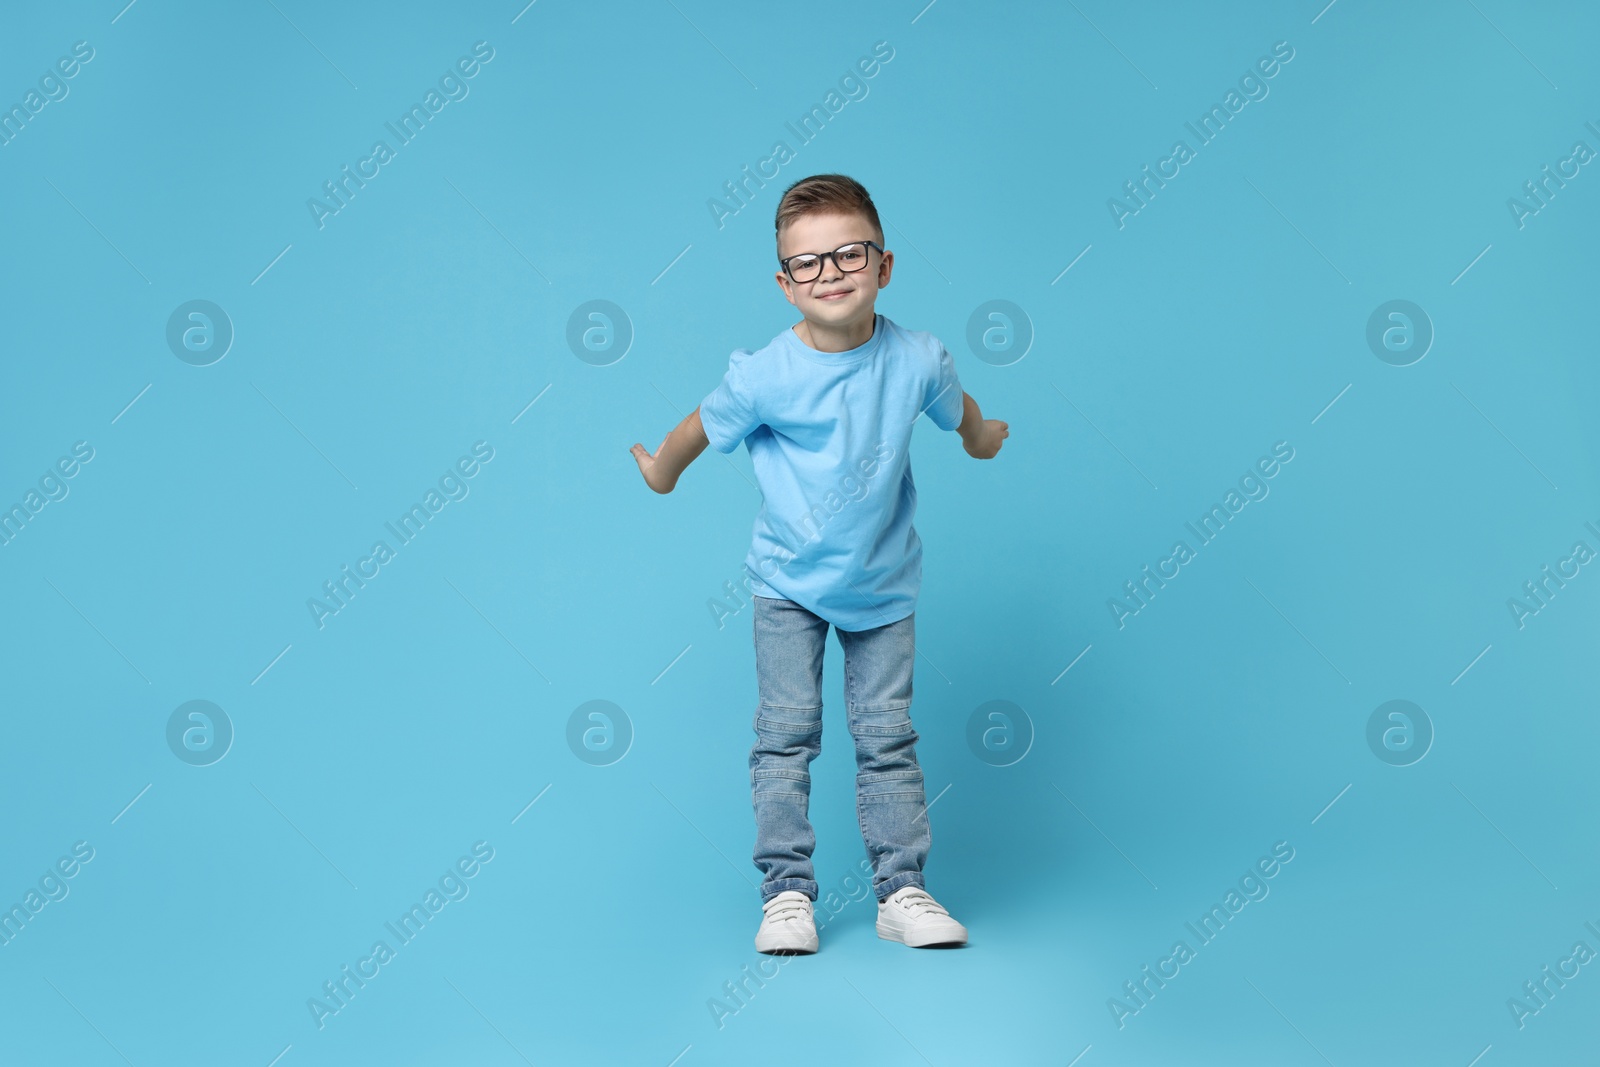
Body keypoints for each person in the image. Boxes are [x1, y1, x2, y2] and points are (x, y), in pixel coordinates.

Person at [629, 174, 1008, 953]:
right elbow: (701, 425)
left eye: (849, 254)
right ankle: (787, 894)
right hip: (789, 585)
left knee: (887, 737)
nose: (830, 272)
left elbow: (958, 411)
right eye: (809, 263)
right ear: (784, 283)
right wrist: (661, 468)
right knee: (786, 735)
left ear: (885, 265)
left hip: (884, 583)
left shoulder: (917, 359)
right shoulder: (765, 372)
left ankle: (902, 889)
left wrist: (982, 436)